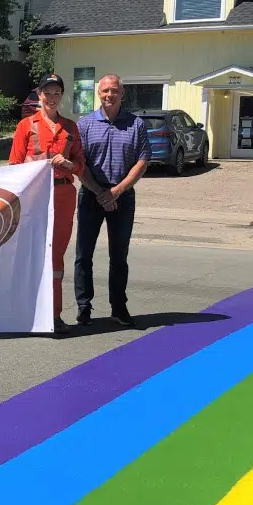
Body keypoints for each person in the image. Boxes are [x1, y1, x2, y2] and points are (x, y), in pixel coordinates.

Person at [8, 73, 84, 336]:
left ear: (61, 96)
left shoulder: (72, 128)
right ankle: (28, 312)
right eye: (47, 93)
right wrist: (31, 165)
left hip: (63, 195)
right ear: (38, 95)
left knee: (56, 256)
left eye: (56, 93)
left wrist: (68, 165)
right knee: (31, 253)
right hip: (34, 197)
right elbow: (13, 166)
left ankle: (54, 314)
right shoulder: (25, 126)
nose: (51, 98)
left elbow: (80, 165)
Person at [74, 74, 150, 328]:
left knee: (119, 256)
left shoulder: (136, 124)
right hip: (90, 195)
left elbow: (142, 161)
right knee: (84, 255)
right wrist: (98, 191)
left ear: (122, 93)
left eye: (114, 91)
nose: (110, 95)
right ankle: (84, 308)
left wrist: (116, 191)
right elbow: (79, 163)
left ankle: (119, 307)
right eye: (106, 90)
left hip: (123, 197)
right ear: (99, 93)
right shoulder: (84, 125)